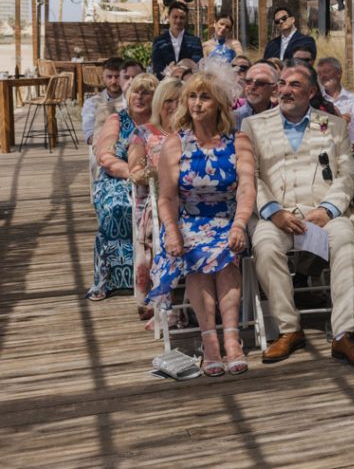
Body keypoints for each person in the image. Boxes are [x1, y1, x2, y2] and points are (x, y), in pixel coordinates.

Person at [242, 60, 354, 367]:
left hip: (322, 211)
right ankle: (289, 330)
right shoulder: (254, 125)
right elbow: (251, 175)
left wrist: (327, 210)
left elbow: (347, 175)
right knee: (265, 245)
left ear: (312, 91)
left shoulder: (334, 124)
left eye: (295, 85)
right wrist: (273, 211)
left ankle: (344, 334)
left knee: (346, 244)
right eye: (282, 85)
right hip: (276, 213)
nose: (286, 91)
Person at [148, 69, 256, 377]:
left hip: (227, 218)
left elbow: (248, 187)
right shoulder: (175, 144)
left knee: (225, 256)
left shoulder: (239, 141)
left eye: (205, 97)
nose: (197, 104)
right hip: (189, 221)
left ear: (220, 103)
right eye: (192, 97)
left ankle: (232, 339)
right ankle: (210, 341)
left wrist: (239, 224)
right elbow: (167, 198)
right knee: (194, 256)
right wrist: (171, 232)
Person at [86, 73, 158, 301]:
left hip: (153, 182)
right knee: (117, 207)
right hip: (116, 179)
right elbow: (104, 156)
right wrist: (134, 173)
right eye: (135, 91)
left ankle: (152, 276)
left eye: (146, 92)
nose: (139, 96)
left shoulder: (160, 122)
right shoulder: (117, 119)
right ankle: (110, 280)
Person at [127, 77, 183, 322]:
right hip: (157, 201)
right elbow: (135, 171)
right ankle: (165, 300)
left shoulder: (193, 133)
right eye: (168, 101)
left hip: (191, 200)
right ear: (159, 102)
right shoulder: (143, 134)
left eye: (179, 101)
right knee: (162, 220)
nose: (173, 106)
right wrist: (155, 173)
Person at [151, 2, 203, 78]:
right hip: (165, 84)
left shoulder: (195, 41)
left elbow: (197, 64)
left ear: (186, 19)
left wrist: (180, 72)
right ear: (168, 17)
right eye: (175, 17)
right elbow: (157, 66)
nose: (178, 21)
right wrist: (168, 74)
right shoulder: (159, 41)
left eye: (181, 18)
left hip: (187, 83)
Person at [82, 57, 125, 144]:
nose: (113, 81)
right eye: (109, 77)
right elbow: (89, 135)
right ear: (103, 78)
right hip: (101, 149)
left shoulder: (133, 100)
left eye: (117, 77)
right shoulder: (92, 103)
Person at [233, 62, 278, 130]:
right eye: (248, 82)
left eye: (260, 83)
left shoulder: (282, 119)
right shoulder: (231, 120)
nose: (253, 87)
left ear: (274, 89)